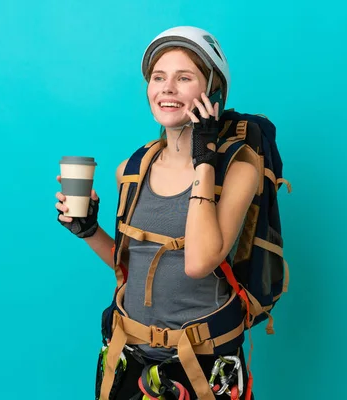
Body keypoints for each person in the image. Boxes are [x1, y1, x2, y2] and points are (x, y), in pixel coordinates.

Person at [56, 26, 259, 399]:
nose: (166, 88)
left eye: (184, 78)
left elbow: (199, 263)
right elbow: (132, 266)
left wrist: (204, 159)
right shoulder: (131, 170)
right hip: (129, 358)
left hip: (203, 364)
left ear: (213, 91)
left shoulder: (238, 170)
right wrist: (88, 231)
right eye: (158, 77)